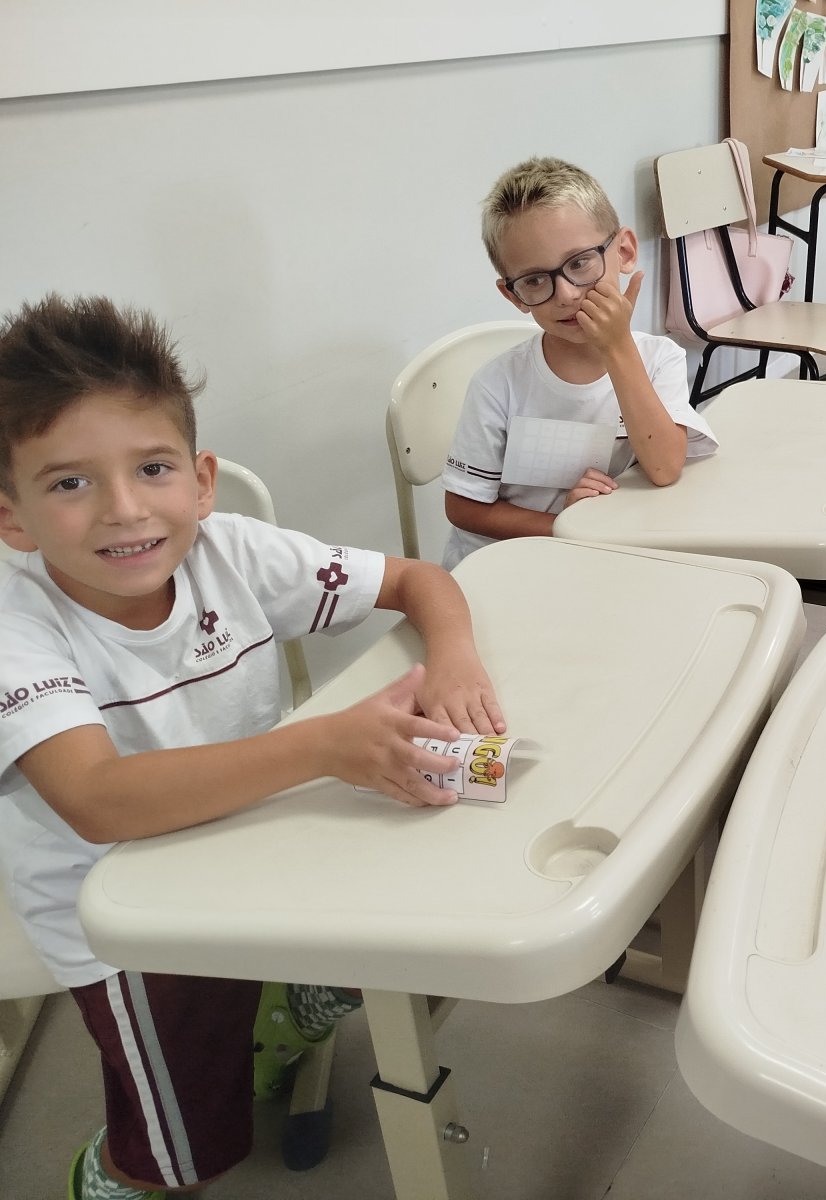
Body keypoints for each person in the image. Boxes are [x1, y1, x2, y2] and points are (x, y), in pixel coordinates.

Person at [0, 294, 505, 1198]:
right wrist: (325, 747)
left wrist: (455, 659)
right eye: (70, 483)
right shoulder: (18, 625)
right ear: (11, 518)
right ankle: (112, 1178)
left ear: (201, 481)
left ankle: (285, 1012)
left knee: (410, 920)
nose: (124, 510)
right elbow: (97, 799)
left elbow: (419, 581)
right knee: (182, 1155)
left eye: (152, 467)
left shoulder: (229, 551)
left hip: (255, 849)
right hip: (123, 922)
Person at [440, 156, 717, 570]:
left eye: (579, 262)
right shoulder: (498, 384)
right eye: (535, 280)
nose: (566, 294)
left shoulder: (660, 359)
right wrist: (565, 527)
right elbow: (465, 508)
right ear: (513, 295)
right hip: (507, 564)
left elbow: (664, 467)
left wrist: (618, 347)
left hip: (596, 551)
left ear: (623, 251)